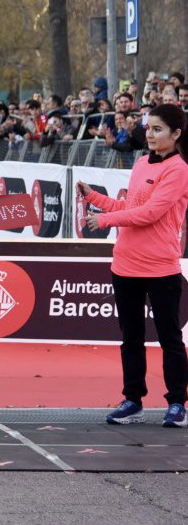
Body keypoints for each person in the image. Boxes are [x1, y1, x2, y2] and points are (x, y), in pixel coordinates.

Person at [77, 103, 188, 428]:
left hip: (161, 268)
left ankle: (177, 403)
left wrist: (105, 219)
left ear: (176, 134)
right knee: (131, 338)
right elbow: (131, 205)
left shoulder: (179, 170)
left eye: (158, 130)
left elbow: (150, 213)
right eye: (149, 129)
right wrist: (94, 197)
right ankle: (133, 400)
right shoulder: (141, 163)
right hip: (125, 265)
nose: (151, 135)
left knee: (169, 338)